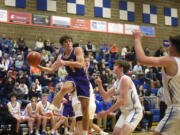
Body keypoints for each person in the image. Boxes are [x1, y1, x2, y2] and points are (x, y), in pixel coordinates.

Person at [37, 35, 90, 135]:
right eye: (66, 42)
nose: (69, 43)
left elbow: (80, 64)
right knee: (64, 88)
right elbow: (51, 70)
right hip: (72, 77)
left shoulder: (77, 50)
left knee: (85, 110)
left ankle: (84, 132)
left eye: (70, 41)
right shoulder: (60, 57)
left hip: (82, 79)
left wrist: (65, 62)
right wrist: (38, 66)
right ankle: (50, 109)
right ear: (62, 45)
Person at [133, 30, 180, 135]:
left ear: (173, 47)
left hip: (176, 109)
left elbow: (142, 59)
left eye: (170, 45)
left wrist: (137, 39)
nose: (168, 48)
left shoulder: (170, 61)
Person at [96, 60, 143, 135]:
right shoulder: (117, 82)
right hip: (124, 113)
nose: (113, 67)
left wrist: (107, 112)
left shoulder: (125, 79)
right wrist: (99, 84)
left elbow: (121, 101)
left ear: (121, 68)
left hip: (134, 111)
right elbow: (105, 96)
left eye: (115, 65)